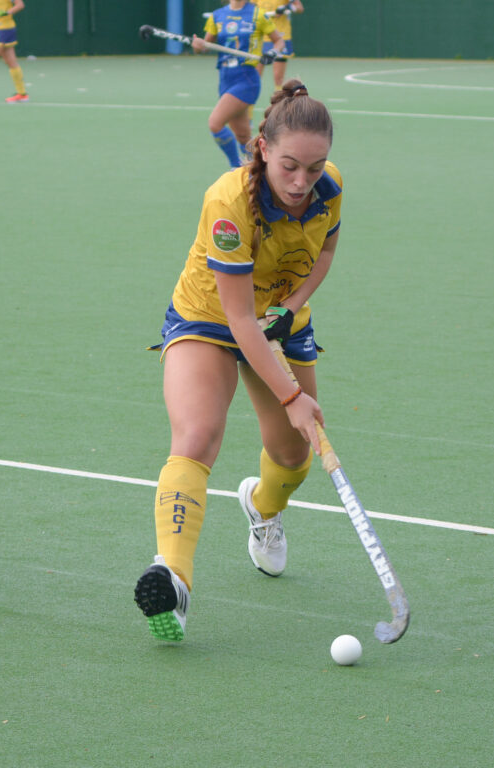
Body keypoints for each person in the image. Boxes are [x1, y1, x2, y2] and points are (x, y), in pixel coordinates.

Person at [134, 80, 342, 642]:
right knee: (197, 435)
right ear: (263, 149)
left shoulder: (329, 187)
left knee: (293, 453)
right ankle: (173, 579)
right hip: (210, 316)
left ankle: (263, 509)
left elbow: (325, 252)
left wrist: (292, 308)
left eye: (314, 168)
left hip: (280, 315)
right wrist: (292, 396)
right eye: (289, 166)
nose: (301, 182)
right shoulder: (228, 203)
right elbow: (239, 319)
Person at [192, 0, 285, 168]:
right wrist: (198, 46)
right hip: (225, 78)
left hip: (246, 78)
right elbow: (204, 46)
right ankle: (263, 169)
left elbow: (279, 41)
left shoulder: (258, 14)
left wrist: (272, 52)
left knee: (215, 123)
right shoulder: (217, 16)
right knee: (243, 136)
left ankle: (236, 167)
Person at [256, 0, 304, 91]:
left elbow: (299, 8)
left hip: (280, 36)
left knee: (279, 79)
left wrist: (288, 8)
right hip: (261, 36)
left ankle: (279, 98)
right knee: (255, 76)